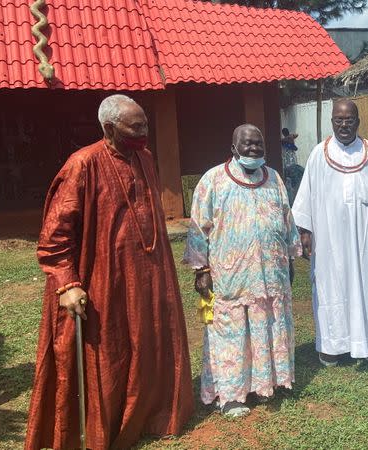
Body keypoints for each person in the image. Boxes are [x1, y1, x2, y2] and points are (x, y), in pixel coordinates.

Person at [26, 95, 194, 450]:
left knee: (147, 343)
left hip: (147, 275)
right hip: (102, 278)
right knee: (109, 350)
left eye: (146, 124)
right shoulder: (82, 164)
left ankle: (150, 414)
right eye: (136, 127)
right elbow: (54, 236)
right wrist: (68, 283)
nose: (144, 132)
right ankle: (107, 427)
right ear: (109, 128)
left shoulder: (144, 157)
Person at [184, 124, 301, 417]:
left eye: (258, 144)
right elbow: (199, 227)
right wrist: (202, 269)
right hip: (230, 278)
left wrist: (290, 258)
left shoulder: (274, 178)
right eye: (247, 144)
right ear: (234, 147)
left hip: (270, 275)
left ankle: (266, 385)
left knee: (269, 326)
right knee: (231, 333)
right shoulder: (213, 180)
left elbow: (287, 221)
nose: (253, 149)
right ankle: (232, 396)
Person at [292, 99, 368, 367]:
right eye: (339, 120)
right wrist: (305, 233)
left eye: (349, 119)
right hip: (331, 239)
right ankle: (334, 345)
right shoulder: (319, 154)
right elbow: (305, 198)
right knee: (332, 286)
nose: (344, 124)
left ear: (358, 121)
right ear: (332, 122)